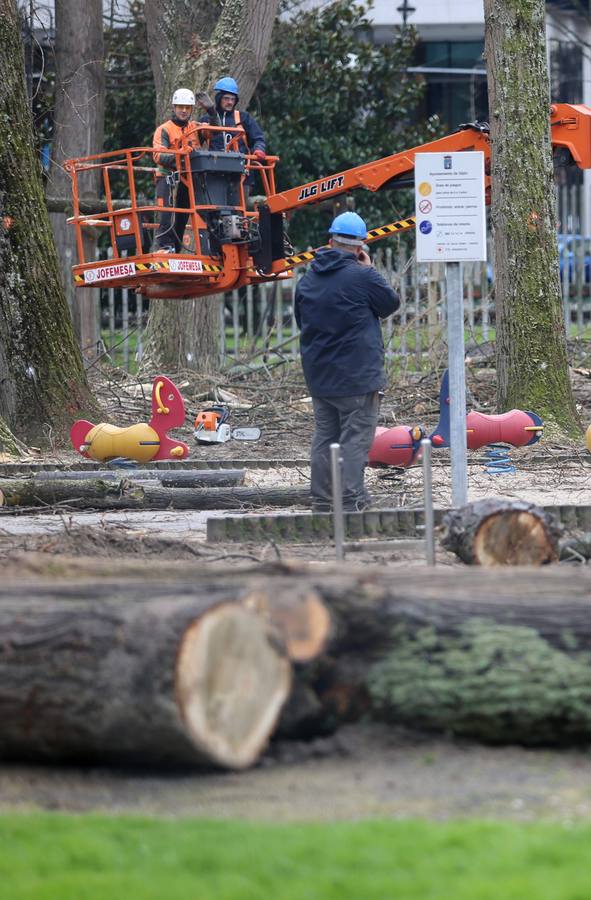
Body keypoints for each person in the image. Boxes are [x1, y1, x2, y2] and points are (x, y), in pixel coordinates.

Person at [294, 212, 400, 512]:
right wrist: (371, 269)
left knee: (325, 437)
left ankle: (324, 502)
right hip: (358, 376)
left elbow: (302, 321)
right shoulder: (363, 276)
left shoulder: (308, 279)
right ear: (360, 248)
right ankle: (352, 501)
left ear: (329, 241)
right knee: (355, 439)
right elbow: (390, 303)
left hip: (320, 376)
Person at [152, 87, 219, 252]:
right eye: (180, 107)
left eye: (187, 108)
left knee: (184, 216)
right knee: (167, 212)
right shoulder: (164, 129)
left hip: (189, 179)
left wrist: (212, 112)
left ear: (191, 110)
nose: (183, 110)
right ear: (174, 107)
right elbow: (158, 156)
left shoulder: (195, 127)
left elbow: (215, 132)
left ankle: (177, 246)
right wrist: (180, 155)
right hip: (168, 176)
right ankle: (164, 246)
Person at [202, 76, 266, 196]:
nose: (230, 102)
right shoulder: (206, 120)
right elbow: (196, 141)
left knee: (240, 210)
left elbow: (258, 138)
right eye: (226, 98)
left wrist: (259, 149)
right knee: (215, 209)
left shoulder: (244, 118)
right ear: (219, 99)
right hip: (215, 172)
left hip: (241, 173)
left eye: (232, 99)